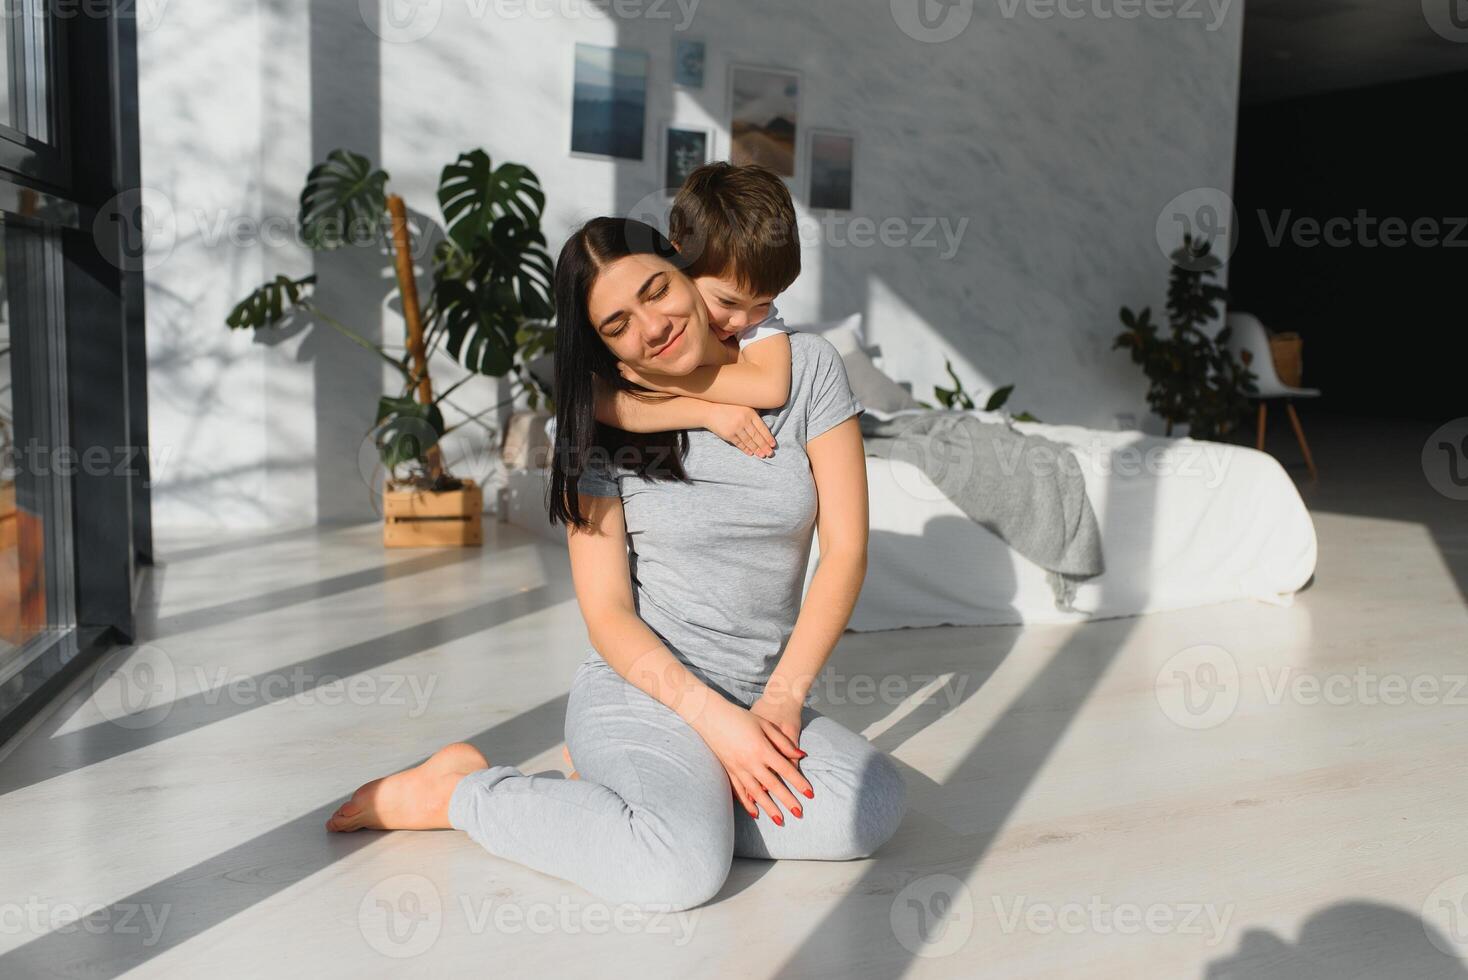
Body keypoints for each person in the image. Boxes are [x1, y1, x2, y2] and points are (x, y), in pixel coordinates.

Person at [325, 217, 906, 913]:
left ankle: (636, 796)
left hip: (759, 691)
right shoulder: (599, 430)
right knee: (680, 871)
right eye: (617, 324)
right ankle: (463, 792)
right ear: (601, 345)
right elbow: (607, 615)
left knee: (868, 805)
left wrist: (779, 701)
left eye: (657, 290)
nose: (651, 326)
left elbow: (845, 551)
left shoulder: (805, 370)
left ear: (686, 268)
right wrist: (716, 726)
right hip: (644, 691)